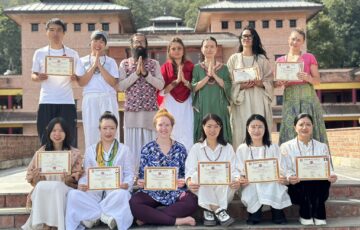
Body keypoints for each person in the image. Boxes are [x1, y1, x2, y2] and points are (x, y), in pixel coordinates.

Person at [66, 112, 135, 230]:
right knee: (73, 194)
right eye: (105, 128)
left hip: (115, 191)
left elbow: (129, 174)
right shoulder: (91, 150)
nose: (108, 132)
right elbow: (87, 174)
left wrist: (126, 184)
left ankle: (92, 216)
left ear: (116, 129)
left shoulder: (124, 150)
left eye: (112, 128)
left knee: (123, 195)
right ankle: (106, 216)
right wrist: (82, 184)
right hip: (94, 192)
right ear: (99, 129)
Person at [129, 109, 198, 226]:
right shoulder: (147, 148)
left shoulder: (180, 148)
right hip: (152, 192)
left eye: (167, 125)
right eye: (160, 125)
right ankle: (176, 221)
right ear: (155, 126)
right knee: (134, 202)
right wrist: (141, 181)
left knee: (191, 201)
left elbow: (185, 173)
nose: (164, 128)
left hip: (174, 192)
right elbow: (142, 175)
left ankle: (149, 217)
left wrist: (183, 181)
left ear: (172, 127)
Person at [22, 117, 83, 230]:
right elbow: (32, 178)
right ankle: (45, 223)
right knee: (41, 186)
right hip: (45, 191)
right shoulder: (41, 153)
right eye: (54, 130)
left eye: (61, 130)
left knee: (56, 187)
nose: (57, 134)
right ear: (49, 132)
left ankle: (54, 225)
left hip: (65, 190)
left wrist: (68, 179)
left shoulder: (75, 153)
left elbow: (77, 180)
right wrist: (36, 178)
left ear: (66, 133)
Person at [31, 18, 82, 147]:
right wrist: (38, 77)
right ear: (47, 32)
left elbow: (79, 78)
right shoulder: (39, 53)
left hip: (66, 100)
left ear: (64, 33)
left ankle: (69, 165)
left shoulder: (73, 54)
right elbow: (33, 75)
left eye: (59, 30)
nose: (55, 33)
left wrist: (75, 78)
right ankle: (46, 165)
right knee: (45, 135)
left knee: (68, 136)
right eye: (52, 30)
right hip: (46, 100)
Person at [280, 113, 337, 226]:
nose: (304, 127)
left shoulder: (322, 146)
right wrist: (290, 177)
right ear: (294, 127)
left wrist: (332, 175)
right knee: (302, 184)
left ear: (313, 126)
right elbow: (285, 169)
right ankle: (306, 213)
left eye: (308, 124)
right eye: (301, 124)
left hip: (318, 184)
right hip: (297, 184)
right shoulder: (286, 146)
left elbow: (328, 168)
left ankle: (319, 213)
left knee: (323, 180)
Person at [119, 33, 165, 171]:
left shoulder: (154, 63)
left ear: (146, 45)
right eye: (136, 42)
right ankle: (133, 176)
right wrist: (136, 74)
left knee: (150, 145)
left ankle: (150, 175)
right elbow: (121, 86)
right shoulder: (125, 63)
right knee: (132, 146)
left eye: (142, 42)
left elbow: (161, 85)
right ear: (131, 45)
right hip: (132, 112)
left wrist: (146, 74)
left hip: (150, 111)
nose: (139, 44)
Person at [185, 114, 240, 227]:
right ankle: (218, 210)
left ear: (221, 128)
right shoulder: (196, 148)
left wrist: (237, 180)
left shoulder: (228, 148)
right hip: (202, 189)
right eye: (209, 126)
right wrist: (189, 182)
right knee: (196, 175)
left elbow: (234, 171)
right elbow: (189, 171)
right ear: (203, 127)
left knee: (230, 176)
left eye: (216, 126)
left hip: (224, 191)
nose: (212, 130)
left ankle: (208, 210)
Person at [236, 114, 291, 225]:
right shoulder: (242, 148)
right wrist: (241, 178)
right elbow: (237, 169)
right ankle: (255, 212)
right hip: (251, 183)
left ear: (265, 129)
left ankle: (277, 211)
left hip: (271, 181)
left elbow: (282, 167)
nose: (256, 130)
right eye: (253, 127)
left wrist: (282, 177)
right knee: (253, 184)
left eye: (260, 127)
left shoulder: (273, 147)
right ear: (248, 128)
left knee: (275, 182)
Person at [276, 28, 327, 145]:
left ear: (303, 42)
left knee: (308, 124)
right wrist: (279, 82)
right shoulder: (280, 60)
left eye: (298, 40)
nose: (295, 42)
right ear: (288, 39)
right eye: (293, 39)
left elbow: (317, 80)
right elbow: (275, 84)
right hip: (290, 97)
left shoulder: (309, 57)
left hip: (307, 97)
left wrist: (308, 78)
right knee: (290, 126)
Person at [227, 26, 274, 149]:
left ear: (254, 39)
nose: (246, 39)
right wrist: (241, 86)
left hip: (258, 98)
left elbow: (270, 80)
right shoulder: (233, 59)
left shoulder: (261, 59)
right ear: (241, 39)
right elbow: (228, 82)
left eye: (249, 36)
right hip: (241, 100)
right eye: (244, 36)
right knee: (241, 128)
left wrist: (261, 83)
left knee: (258, 127)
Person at [76, 30, 120, 148]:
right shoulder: (82, 61)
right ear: (90, 43)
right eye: (95, 40)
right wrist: (94, 65)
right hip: (90, 98)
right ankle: (93, 164)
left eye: (102, 41)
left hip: (108, 97)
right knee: (91, 130)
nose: (98, 44)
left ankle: (113, 162)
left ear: (105, 45)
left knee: (110, 129)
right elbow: (82, 82)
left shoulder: (111, 62)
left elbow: (113, 82)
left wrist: (99, 66)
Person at [192, 37, 232, 143]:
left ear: (216, 49)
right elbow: (194, 87)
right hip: (203, 106)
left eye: (212, 46)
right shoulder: (196, 68)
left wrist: (214, 75)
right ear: (201, 49)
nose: (209, 49)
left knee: (221, 136)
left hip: (219, 106)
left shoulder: (224, 68)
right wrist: (207, 77)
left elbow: (228, 86)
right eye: (206, 46)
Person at [160, 37, 194, 152]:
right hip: (170, 103)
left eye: (179, 48)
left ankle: (187, 162)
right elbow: (162, 90)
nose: (177, 51)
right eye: (173, 48)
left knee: (187, 130)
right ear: (169, 51)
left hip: (187, 104)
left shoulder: (190, 66)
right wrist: (176, 82)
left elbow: (194, 88)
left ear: (183, 50)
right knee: (172, 129)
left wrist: (184, 81)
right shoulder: (165, 67)